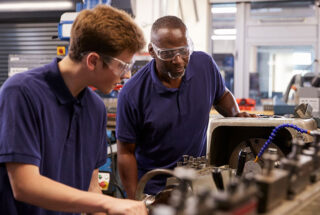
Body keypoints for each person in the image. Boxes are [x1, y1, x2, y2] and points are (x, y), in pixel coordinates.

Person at [0, 5, 147, 215]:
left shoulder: (95, 110)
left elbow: (92, 187)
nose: (127, 76)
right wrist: (108, 204)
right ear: (93, 60)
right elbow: (25, 185)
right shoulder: (21, 92)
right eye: (123, 66)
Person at [116, 15, 255, 199]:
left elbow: (222, 95)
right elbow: (126, 153)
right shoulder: (132, 93)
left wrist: (236, 115)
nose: (179, 60)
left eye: (184, 50)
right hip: (155, 191)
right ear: (152, 51)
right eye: (168, 54)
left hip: (198, 184)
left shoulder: (204, 65)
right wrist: (135, 200)